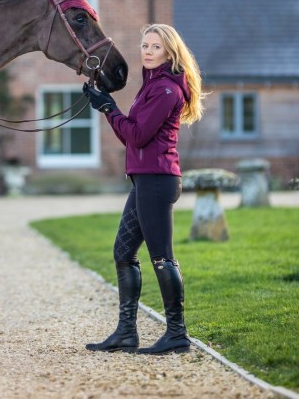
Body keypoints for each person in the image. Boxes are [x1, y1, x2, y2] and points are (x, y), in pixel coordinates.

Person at [82, 23, 205, 355]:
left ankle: (177, 334)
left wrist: (108, 107)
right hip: (145, 179)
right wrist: (105, 106)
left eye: (155, 47)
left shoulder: (166, 90)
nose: (147, 51)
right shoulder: (153, 87)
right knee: (123, 253)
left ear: (169, 52)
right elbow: (132, 136)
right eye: (145, 45)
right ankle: (126, 333)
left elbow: (137, 136)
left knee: (162, 256)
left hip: (157, 181)